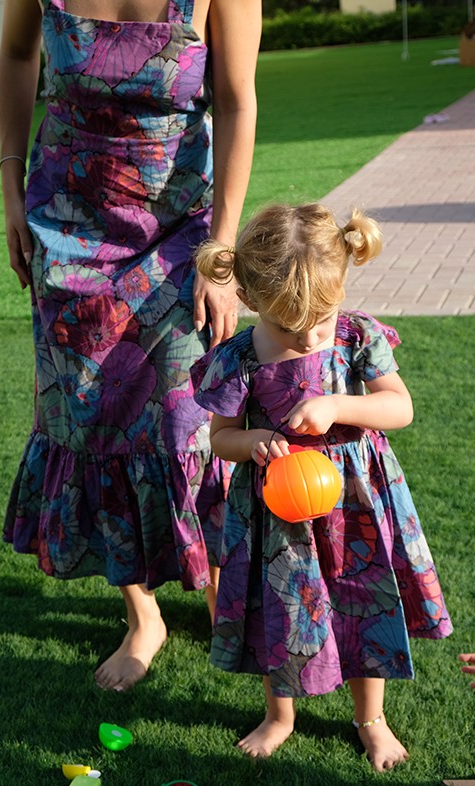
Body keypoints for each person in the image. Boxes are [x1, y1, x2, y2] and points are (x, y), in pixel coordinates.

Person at [0, 0, 262, 692]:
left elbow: (236, 102)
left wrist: (222, 248)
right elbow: (19, 57)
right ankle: (143, 614)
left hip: (179, 228)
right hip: (66, 219)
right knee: (87, 414)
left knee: (188, 414)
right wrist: (10, 188)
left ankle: (221, 593)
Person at [191, 203, 453, 770]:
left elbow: (399, 407)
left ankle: (371, 719)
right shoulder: (239, 357)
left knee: (363, 601)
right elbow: (221, 438)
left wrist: (338, 404)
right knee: (281, 610)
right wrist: (254, 441)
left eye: (322, 317)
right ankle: (279, 715)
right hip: (276, 514)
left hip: (355, 501)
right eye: (291, 324)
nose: (310, 336)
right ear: (252, 302)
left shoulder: (356, 334)